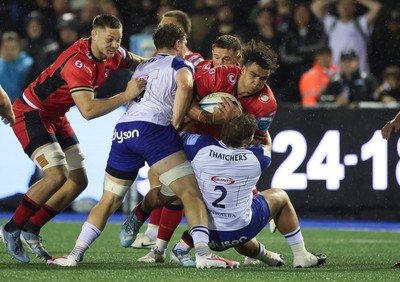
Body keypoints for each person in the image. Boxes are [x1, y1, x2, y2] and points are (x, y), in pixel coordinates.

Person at [47, 23, 239, 269]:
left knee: (109, 200)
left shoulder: (143, 65)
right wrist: (177, 121)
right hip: (153, 131)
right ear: (179, 44)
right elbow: (184, 85)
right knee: (191, 194)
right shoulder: (182, 64)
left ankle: (74, 254)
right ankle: (203, 254)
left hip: (123, 131)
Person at [0, 14, 147, 264]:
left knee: (79, 180)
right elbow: (88, 112)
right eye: (110, 39)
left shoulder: (115, 54)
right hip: (31, 114)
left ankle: (32, 228)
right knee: (56, 175)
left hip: (56, 115)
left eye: (118, 40)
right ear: (94, 35)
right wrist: (126, 95)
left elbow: (141, 62)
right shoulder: (78, 63)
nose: (115, 45)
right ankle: (12, 227)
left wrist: (169, 65)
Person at [132, 39, 279, 264]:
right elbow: (184, 99)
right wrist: (207, 117)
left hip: (225, 150)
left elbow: (259, 137)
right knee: (170, 192)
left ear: (237, 60)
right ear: (241, 68)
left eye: (263, 78)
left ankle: (171, 249)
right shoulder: (214, 76)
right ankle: (149, 232)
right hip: (197, 140)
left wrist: (253, 139)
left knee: (216, 202)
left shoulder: (267, 104)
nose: (257, 82)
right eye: (253, 75)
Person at [170, 113, 327, 268]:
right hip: (239, 232)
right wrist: (262, 126)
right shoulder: (257, 158)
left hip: (202, 234)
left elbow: (177, 132)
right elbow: (267, 144)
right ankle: (301, 255)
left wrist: (196, 116)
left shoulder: (200, 146)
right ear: (245, 141)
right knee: (281, 197)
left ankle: (268, 257)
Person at [130, 9, 206, 250]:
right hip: (160, 126)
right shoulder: (156, 59)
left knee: (176, 184)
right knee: (162, 178)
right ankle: (156, 236)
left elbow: (195, 97)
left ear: (180, 33)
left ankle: (161, 236)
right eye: (160, 24)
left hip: (184, 129)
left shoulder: (195, 61)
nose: (161, 29)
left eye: (168, 25)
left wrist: (179, 121)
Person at [310, 0, 382, 74]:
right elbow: (315, 6)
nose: (345, 7)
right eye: (342, 4)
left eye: (349, 4)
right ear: (337, 6)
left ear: (354, 7)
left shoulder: (360, 23)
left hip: (360, 73)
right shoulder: (332, 23)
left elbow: (376, 7)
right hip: (337, 74)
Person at [0, 31, 34, 102]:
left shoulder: (28, 64)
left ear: (19, 48)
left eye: (12, 48)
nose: (9, 52)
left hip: (22, 106)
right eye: (6, 48)